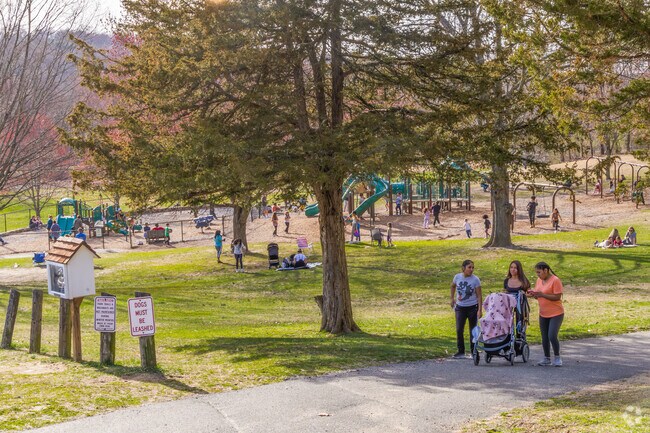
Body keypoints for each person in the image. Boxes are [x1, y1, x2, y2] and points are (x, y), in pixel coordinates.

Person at [527, 262, 564, 367]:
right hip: (543, 313)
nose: (538, 275)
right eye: (536, 273)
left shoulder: (555, 280)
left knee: (552, 335)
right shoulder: (539, 281)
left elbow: (557, 297)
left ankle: (557, 357)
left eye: (539, 272)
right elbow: (539, 294)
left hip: (556, 313)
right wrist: (533, 294)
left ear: (546, 270)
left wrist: (542, 294)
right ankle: (546, 358)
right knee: (544, 337)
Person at [450, 259, 482, 359]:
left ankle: (473, 351)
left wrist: (480, 310)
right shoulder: (457, 277)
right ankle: (461, 351)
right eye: (469, 267)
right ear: (463, 268)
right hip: (460, 307)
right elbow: (452, 286)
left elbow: (479, 295)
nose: (471, 269)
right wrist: (451, 298)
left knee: (473, 330)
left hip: (472, 307)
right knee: (459, 329)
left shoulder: (475, 280)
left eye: (473, 267)